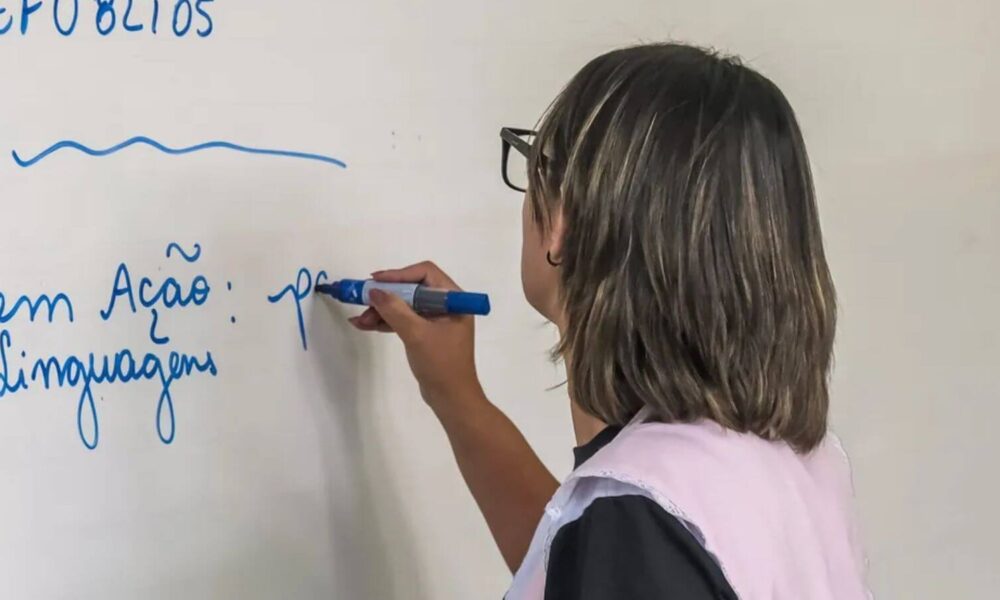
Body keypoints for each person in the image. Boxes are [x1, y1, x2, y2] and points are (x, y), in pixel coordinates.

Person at [350, 42, 870, 599]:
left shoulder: (641, 520)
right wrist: (456, 395)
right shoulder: (789, 464)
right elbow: (574, 565)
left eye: (538, 166)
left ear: (562, 225)